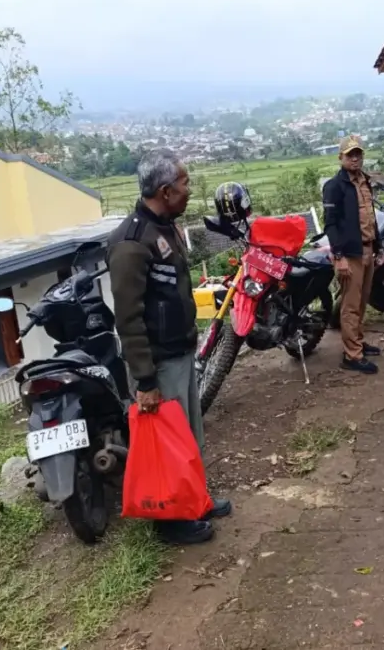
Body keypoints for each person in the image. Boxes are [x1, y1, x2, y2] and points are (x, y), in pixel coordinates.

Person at [106, 149, 231, 546]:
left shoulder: (164, 227)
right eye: (184, 183)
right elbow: (128, 318)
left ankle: (195, 499)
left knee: (190, 436)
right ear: (164, 190)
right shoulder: (130, 243)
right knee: (168, 446)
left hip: (179, 352)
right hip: (157, 363)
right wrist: (145, 379)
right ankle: (172, 521)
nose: (188, 190)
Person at [322, 136, 384, 374]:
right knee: (350, 305)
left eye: (358, 154)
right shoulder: (334, 186)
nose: (355, 158)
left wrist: (378, 246)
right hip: (350, 254)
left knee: (361, 300)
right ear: (341, 158)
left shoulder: (364, 181)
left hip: (367, 249)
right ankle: (352, 355)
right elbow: (331, 224)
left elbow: (370, 217)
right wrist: (339, 257)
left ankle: (357, 340)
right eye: (350, 155)